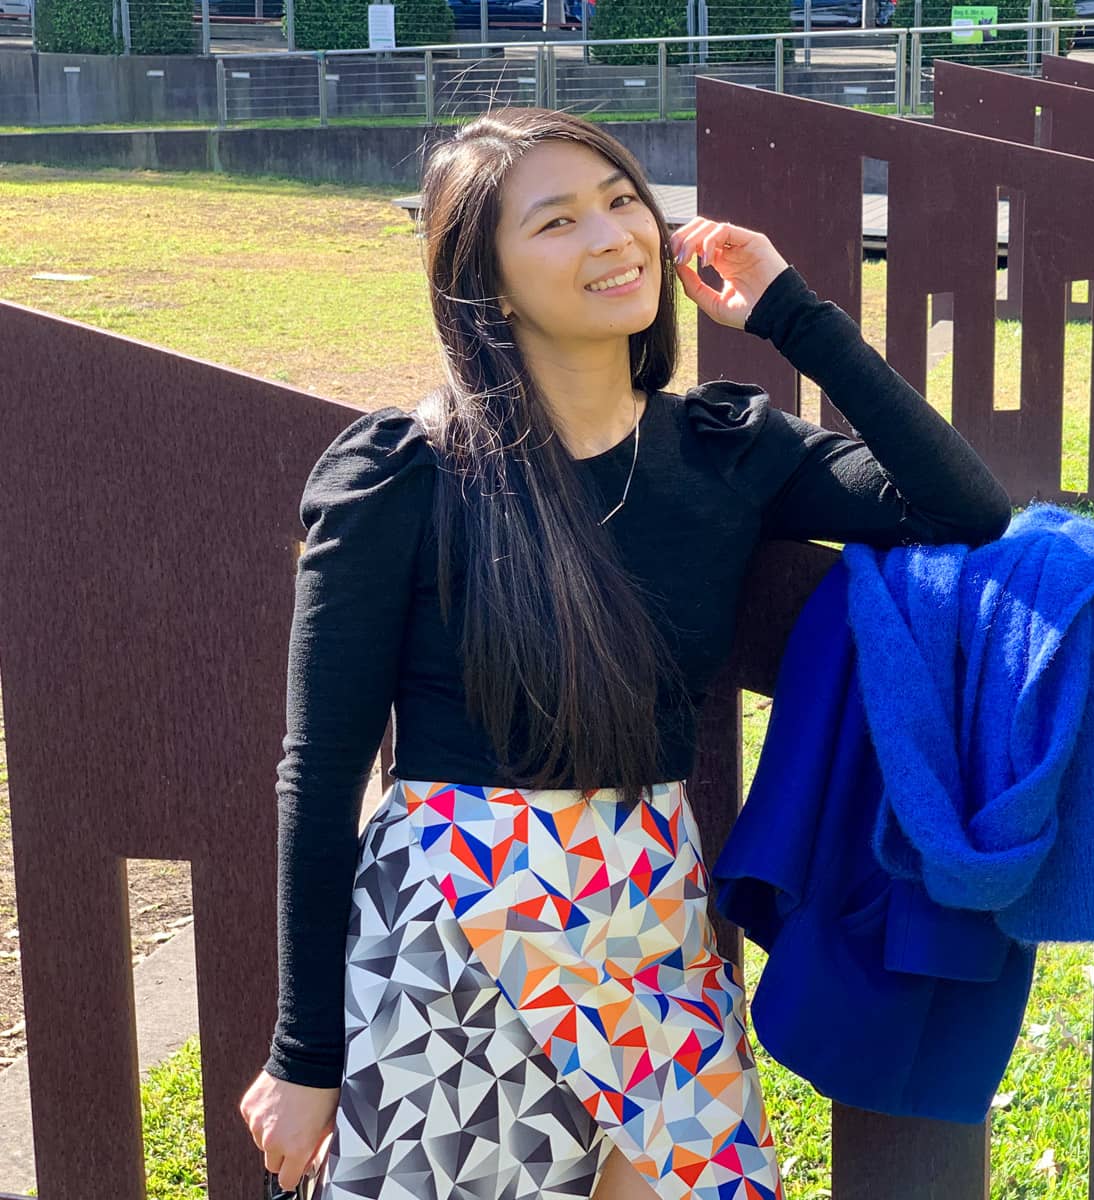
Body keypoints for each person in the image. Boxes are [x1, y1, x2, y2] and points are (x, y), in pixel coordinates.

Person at [237, 106, 1012, 1200]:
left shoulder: (726, 449)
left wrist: (791, 312)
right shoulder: (405, 477)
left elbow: (967, 512)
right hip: (456, 928)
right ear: (489, 284)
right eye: (556, 221)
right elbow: (317, 779)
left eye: (620, 202)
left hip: (648, 910)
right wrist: (306, 1057)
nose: (613, 237)